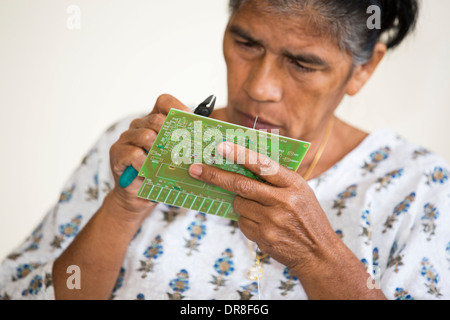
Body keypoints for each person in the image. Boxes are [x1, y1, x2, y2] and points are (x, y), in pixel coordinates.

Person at [1, 0, 449, 300]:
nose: (259, 87)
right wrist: (120, 211)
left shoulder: (418, 188)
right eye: (246, 43)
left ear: (363, 70)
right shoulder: (137, 147)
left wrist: (317, 259)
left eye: (302, 63)